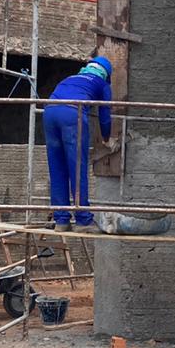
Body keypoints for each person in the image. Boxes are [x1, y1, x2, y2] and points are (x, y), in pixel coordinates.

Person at [45, 56, 113, 231]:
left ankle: (61, 220)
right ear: (105, 74)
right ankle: (83, 220)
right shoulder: (102, 83)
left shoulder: (69, 78)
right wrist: (106, 137)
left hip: (49, 113)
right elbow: (105, 115)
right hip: (72, 114)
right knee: (77, 167)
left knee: (57, 167)